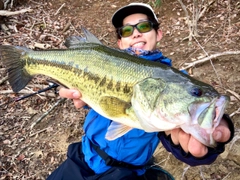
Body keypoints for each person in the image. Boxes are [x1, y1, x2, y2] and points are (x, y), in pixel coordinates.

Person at [47, 3, 234, 180]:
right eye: (127, 31)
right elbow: (100, 102)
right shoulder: (102, 64)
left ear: (158, 33)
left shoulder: (175, 80)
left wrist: (212, 137)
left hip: (126, 173)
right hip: (82, 157)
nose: (136, 34)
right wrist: (82, 95)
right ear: (120, 43)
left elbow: (176, 137)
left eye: (144, 27)